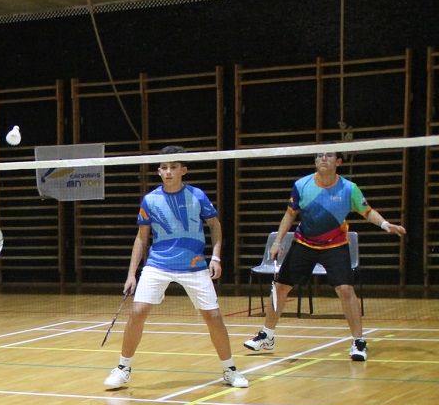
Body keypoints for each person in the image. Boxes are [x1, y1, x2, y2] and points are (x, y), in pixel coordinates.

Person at [104, 145, 249, 390]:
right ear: (159, 171)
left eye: (173, 167)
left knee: (213, 316)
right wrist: (131, 274)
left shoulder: (197, 196)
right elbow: (141, 237)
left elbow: (214, 225)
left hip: (194, 265)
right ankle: (122, 368)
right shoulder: (150, 200)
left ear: (184, 170)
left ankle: (230, 369)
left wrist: (216, 257)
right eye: (164, 168)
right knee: (138, 312)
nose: (168, 172)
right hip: (158, 263)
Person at [244, 150, 405, 361]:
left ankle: (358, 342)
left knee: (346, 289)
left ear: (338, 162)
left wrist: (385, 224)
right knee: (281, 287)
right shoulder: (302, 185)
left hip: (335, 245)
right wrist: (277, 242)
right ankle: (267, 335)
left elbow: (367, 211)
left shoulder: (349, 189)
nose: (323, 159)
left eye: (329, 156)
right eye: (319, 155)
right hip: (304, 243)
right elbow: (290, 214)